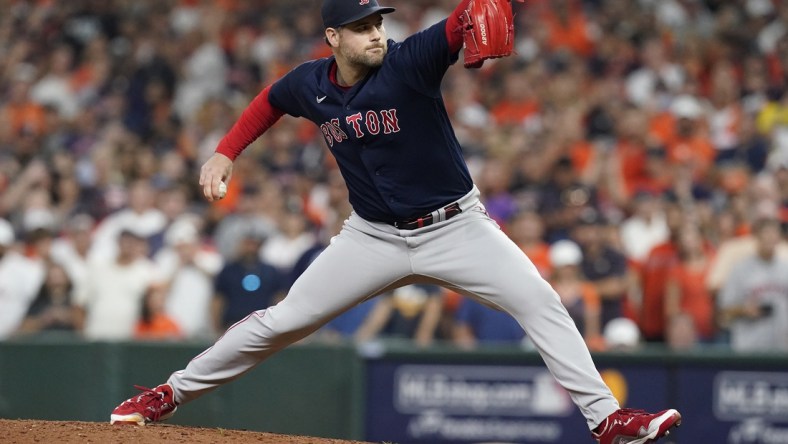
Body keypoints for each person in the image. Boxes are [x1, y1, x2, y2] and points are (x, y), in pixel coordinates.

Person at [109, 2, 681, 442]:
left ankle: (605, 420)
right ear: (334, 38)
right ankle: (167, 394)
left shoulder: (409, 61)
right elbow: (270, 100)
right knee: (282, 320)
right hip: (373, 236)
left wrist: (478, 11)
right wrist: (226, 150)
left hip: (456, 227)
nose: (377, 33)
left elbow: (459, 24)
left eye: (379, 21)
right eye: (362, 26)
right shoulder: (311, 83)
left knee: (540, 301)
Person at [717, 217, 788, 352]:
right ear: (757, 237)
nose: (770, 238)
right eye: (766, 234)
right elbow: (724, 308)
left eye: (774, 234)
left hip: (782, 348)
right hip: (750, 346)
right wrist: (744, 310)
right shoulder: (741, 269)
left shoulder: (786, 268)